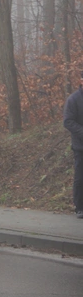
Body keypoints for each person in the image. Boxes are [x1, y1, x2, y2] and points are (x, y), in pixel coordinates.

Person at [63, 72, 83, 219]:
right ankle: (79, 207)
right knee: (80, 177)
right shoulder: (73, 99)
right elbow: (68, 121)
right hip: (80, 146)